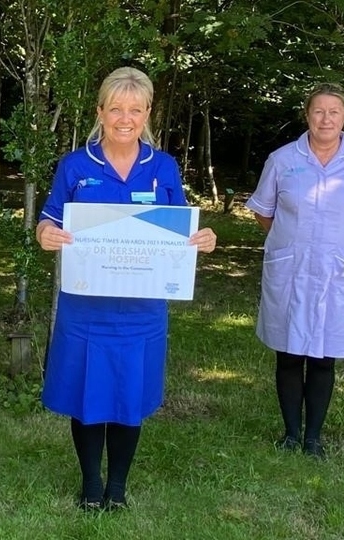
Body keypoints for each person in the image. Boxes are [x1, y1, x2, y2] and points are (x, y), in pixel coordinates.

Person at [35, 67, 217, 510]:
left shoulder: (164, 167)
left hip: (141, 309)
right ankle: (91, 485)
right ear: (100, 111)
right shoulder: (76, 166)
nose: (124, 117)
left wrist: (201, 239)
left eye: (135, 109)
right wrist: (45, 233)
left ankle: (117, 486)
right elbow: (50, 217)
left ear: (148, 113)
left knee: (129, 394)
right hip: (86, 307)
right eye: (115, 108)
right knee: (85, 391)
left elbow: (178, 228)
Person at [246, 83, 344, 460]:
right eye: (318, 111)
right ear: (307, 115)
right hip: (290, 267)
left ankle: (314, 438)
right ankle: (291, 434)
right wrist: (292, 241)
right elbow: (264, 210)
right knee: (289, 352)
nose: (326, 119)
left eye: (334, 112)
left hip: (335, 272)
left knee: (324, 356)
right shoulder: (282, 159)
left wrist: (339, 243)